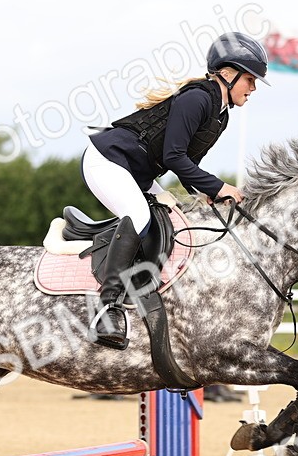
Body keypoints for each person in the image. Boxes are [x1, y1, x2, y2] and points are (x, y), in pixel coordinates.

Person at [82, 31, 270, 350]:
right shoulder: (197, 98)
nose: (252, 88)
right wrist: (218, 185)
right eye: (250, 80)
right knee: (140, 216)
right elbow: (174, 157)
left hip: (136, 171)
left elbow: (188, 163)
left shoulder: (219, 115)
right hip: (108, 160)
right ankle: (107, 308)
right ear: (228, 73)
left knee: (174, 219)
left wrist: (206, 192)